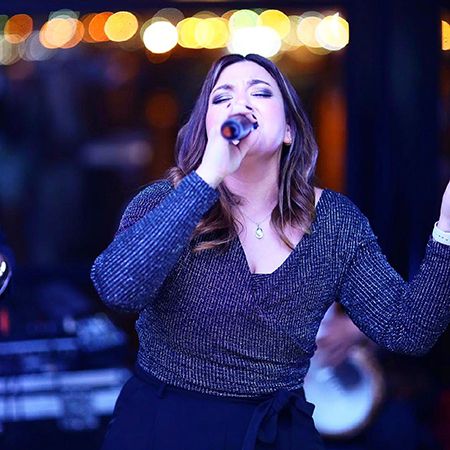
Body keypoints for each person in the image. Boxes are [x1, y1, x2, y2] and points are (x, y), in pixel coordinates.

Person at [90, 53, 450, 450]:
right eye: (222, 98)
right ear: (208, 128)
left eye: (260, 93)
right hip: (167, 428)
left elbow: (408, 330)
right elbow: (117, 290)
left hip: (277, 432)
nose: (240, 104)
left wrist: (447, 231)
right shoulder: (165, 203)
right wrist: (208, 177)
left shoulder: (334, 223)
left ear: (288, 131)